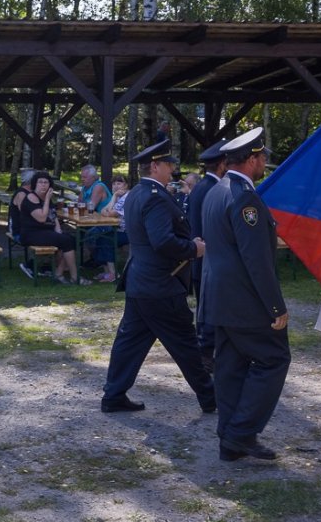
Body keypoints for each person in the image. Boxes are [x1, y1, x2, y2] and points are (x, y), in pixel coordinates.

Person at [100, 139, 215, 415]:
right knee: (185, 343)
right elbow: (162, 241)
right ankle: (211, 398)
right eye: (168, 164)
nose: (172, 169)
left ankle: (114, 395)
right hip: (160, 285)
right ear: (154, 166)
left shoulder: (138, 193)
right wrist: (194, 249)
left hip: (142, 282)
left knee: (129, 343)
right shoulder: (154, 196)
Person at [201, 127, 289, 463]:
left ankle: (230, 440)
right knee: (273, 359)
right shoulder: (244, 198)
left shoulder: (216, 190)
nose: (265, 162)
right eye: (262, 157)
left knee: (231, 367)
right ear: (252, 159)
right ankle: (241, 432)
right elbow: (256, 259)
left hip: (221, 297)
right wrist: (275, 306)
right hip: (245, 300)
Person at [186, 138, 229, 373]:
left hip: (201, 258)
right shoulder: (214, 188)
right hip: (210, 258)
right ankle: (205, 354)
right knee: (210, 309)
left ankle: (205, 352)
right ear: (222, 165)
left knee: (205, 309)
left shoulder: (201, 187)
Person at [11, 171, 80, 284]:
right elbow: (42, 218)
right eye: (40, 182)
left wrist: (58, 229)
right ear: (35, 184)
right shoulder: (31, 197)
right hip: (31, 234)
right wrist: (47, 199)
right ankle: (75, 277)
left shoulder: (45, 197)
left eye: (46, 182)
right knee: (66, 241)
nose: (43, 185)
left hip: (45, 231)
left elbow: (53, 215)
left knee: (73, 240)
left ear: (50, 185)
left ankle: (59, 273)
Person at [77, 164, 119, 283]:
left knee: (92, 235)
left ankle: (99, 262)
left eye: (84, 177)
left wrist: (82, 204)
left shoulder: (98, 186)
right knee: (84, 233)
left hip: (108, 222)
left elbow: (91, 206)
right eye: (81, 177)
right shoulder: (85, 187)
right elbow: (79, 203)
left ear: (93, 177)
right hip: (97, 221)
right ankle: (99, 262)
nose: (82, 179)